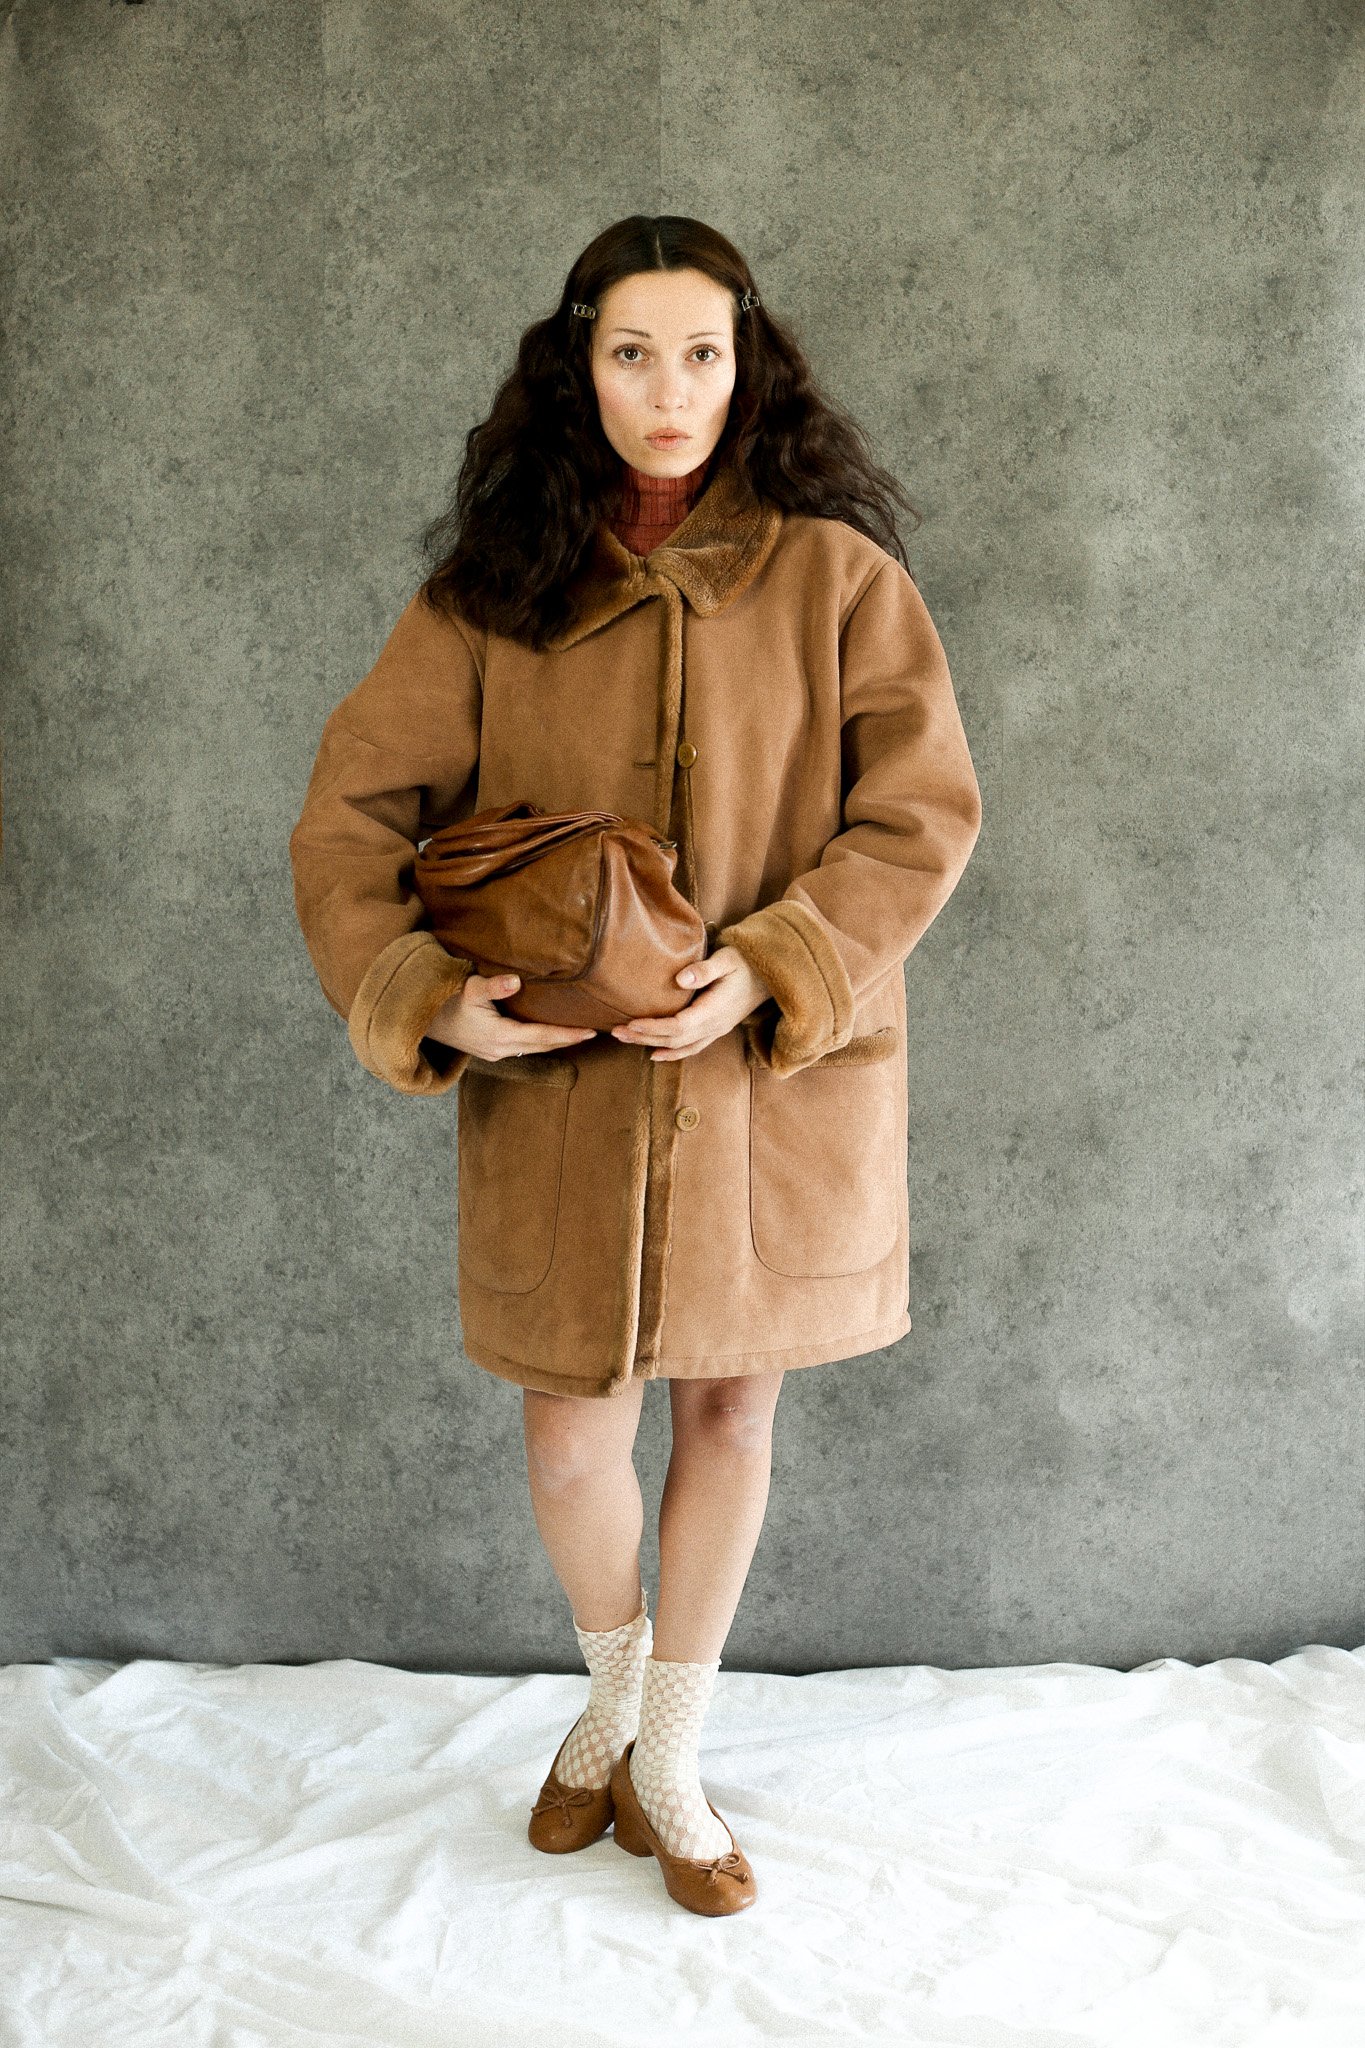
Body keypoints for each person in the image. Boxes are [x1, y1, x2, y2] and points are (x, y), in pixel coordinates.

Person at [288, 214, 982, 1917]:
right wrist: (424, 993)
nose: (666, 392)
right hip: (565, 1091)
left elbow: (918, 819)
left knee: (732, 1411)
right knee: (569, 1440)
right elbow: (351, 818)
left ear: (748, 366)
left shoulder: (838, 583)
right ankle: (619, 1717)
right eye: (628, 353)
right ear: (574, 362)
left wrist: (766, 964)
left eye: (699, 353)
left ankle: (657, 1757)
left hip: (773, 1092)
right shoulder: (487, 600)